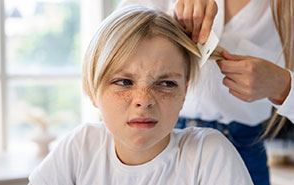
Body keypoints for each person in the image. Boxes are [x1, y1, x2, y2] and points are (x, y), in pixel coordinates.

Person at [28, 6, 253, 185]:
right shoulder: (79, 148)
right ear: (92, 90)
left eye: (166, 83)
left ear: (184, 92)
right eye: (124, 82)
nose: (144, 100)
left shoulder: (209, 155)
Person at [118, 0, 294, 185]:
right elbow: (118, 32)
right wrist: (167, 21)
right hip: (161, 136)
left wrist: (283, 85)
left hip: (244, 147)